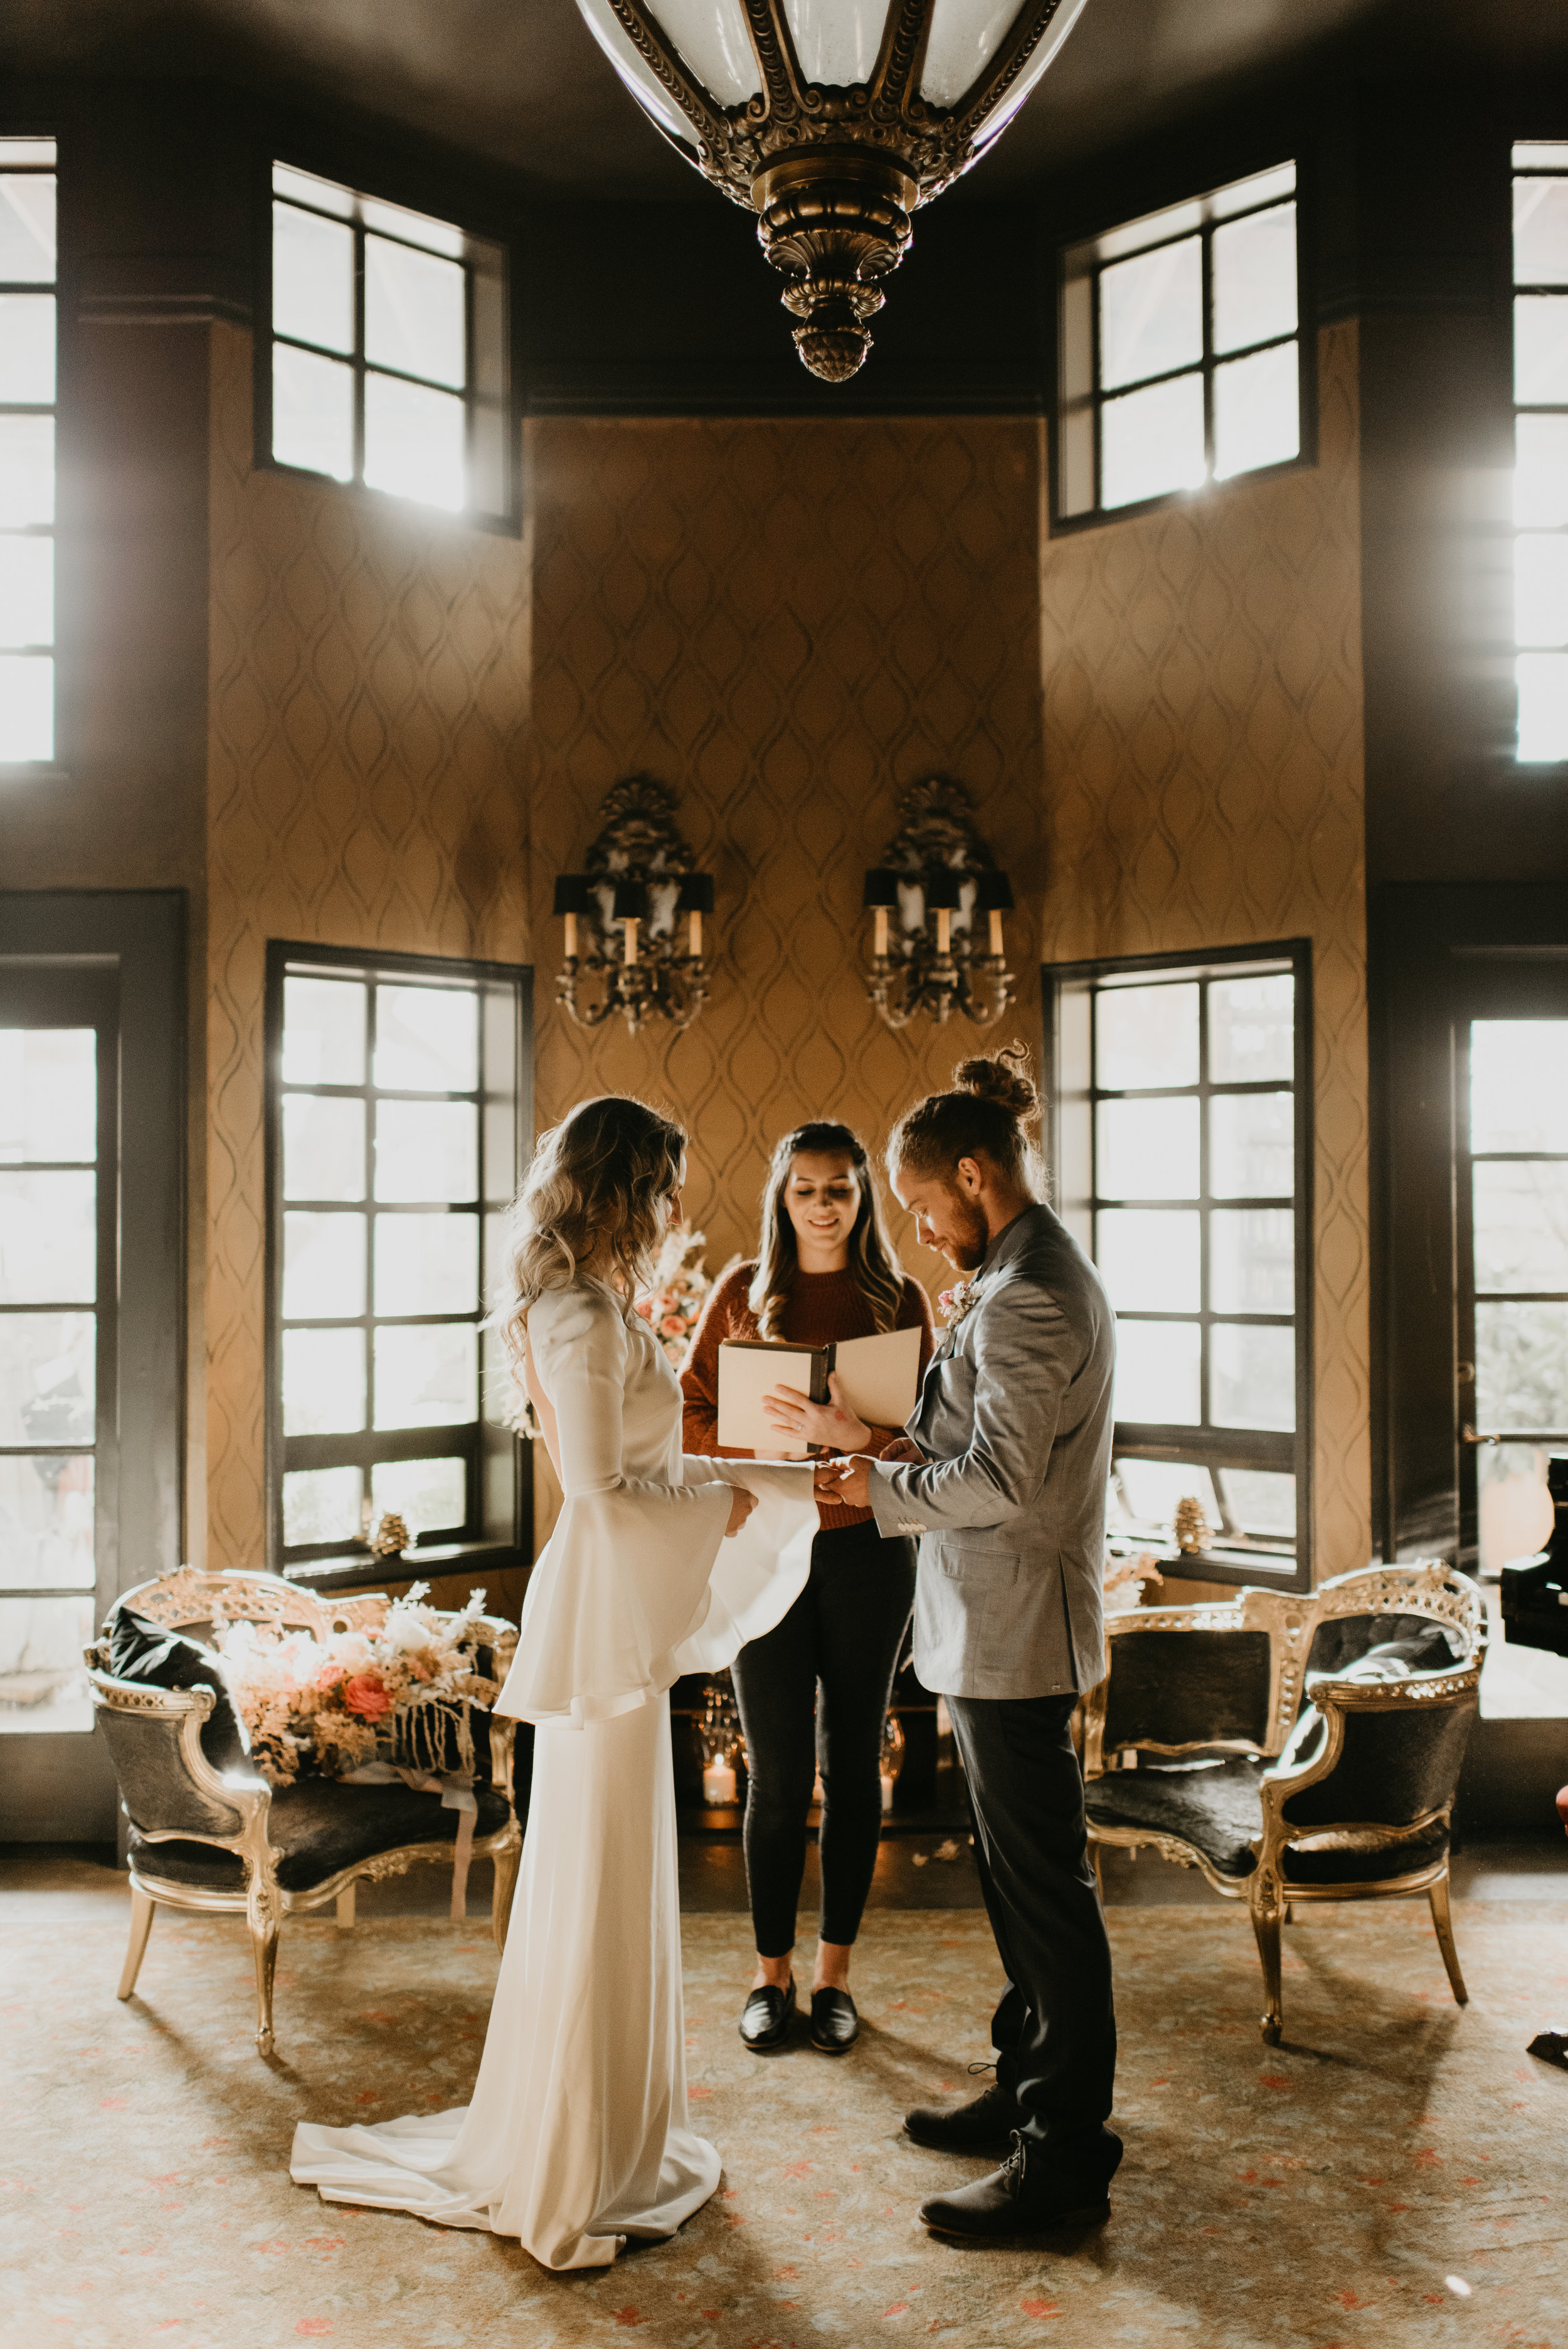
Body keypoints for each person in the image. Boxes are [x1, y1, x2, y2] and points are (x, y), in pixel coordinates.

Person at [291, 1096, 818, 2271]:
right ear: (622, 1186)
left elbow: (654, 1458)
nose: (676, 1207)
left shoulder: (596, 1302)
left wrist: (757, 1473)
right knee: (596, 1867)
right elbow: (596, 1485)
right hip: (602, 1607)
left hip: (623, 1594)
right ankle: (577, 2153)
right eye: (664, 1184)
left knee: (624, 1859)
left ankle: (623, 2125)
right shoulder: (575, 1313)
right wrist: (724, 1503)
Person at [814, 1047, 1120, 2242]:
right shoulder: (1011, 1279)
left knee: (1047, 1892)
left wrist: (867, 1486)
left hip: (1015, 1628)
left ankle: (1064, 2159)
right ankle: (1023, 2083)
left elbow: (996, 1477)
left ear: (977, 1173)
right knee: (1010, 1879)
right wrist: (870, 1436)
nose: (924, 1231)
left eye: (925, 1205)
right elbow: (974, 1439)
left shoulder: (1038, 1289)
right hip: (984, 1621)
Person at [681, 1122, 934, 2055]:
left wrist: (857, 1436)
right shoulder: (742, 1292)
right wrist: (764, 1449)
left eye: (839, 1189)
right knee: (779, 1769)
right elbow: (690, 1411)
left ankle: (834, 1978)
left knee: (855, 1764)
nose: (823, 1205)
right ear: (780, 1198)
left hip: (871, 1550)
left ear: (863, 1197)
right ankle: (769, 1975)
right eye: (805, 1190)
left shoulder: (897, 1295)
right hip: (770, 1549)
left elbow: (930, 1440)